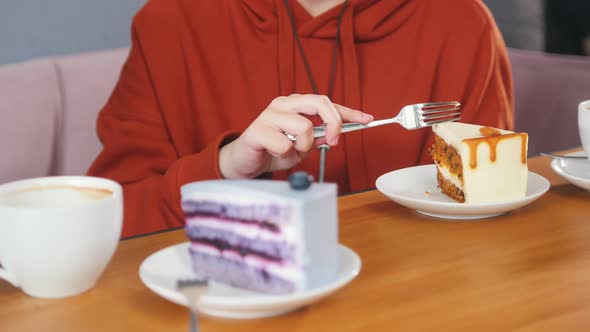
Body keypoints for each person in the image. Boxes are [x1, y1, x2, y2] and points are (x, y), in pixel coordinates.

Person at [88, 0, 514, 238]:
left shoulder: (460, 22)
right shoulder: (169, 22)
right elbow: (109, 225)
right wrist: (224, 167)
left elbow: (487, 213)